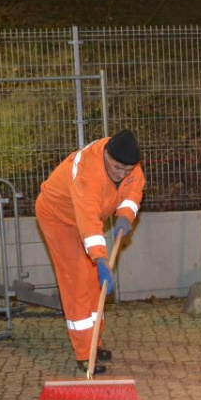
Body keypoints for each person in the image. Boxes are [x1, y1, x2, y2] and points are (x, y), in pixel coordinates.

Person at [35, 130, 144, 374]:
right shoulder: (87, 172)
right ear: (106, 155)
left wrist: (126, 216)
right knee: (77, 282)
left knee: (95, 284)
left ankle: (95, 343)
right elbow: (87, 221)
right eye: (117, 169)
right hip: (59, 219)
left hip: (88, 220)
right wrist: (100, 258)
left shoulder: (130, 165)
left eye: (127, 170)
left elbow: (133, 192)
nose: (122, 174)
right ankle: (85, 354)